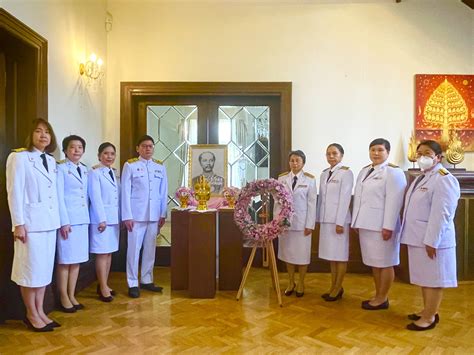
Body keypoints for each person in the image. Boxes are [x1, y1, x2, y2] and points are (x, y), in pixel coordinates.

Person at [6, 118, 61, 332]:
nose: (43, 135)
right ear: (31, 135)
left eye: (47, 132)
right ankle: (30, 314)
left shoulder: (50, 160)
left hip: (49, 223)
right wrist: (18, 224)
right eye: (38, 131)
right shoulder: (19, 157)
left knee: (43, 272)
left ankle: (40, 311)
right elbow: (14, 192)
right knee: (29, 271)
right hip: (30, 225)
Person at [401, 140, 460, 331]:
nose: (422, 158)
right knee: (425, 278)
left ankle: (428, 318)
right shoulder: (422, 176)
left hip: (433, 240)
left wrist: (432, 241)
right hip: (418, 237)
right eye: (419, 154)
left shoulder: (444, 178)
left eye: (427, 153)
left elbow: (442, 213)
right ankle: (428, 310)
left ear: (438, 157)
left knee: (434, 280)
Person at [352, 138, 406, 310]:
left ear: (387, 153)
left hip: (382, 227)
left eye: (380, 150)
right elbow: (359, 198)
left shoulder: (393, 172)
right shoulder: (365, 171)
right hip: (366, 224)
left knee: (386, 262)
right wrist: (355, 221)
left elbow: (394, 202)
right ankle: (378, 294)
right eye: (373, 150)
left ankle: (382, 298)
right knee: (375, 262)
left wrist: (388, 226)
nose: (376, 153)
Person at [122, 135, 168, 298]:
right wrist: (126, 215)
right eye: (144, 146)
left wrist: (163, 213)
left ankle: (147, 279)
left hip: (154, 214)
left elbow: (163, 192)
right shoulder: (130, 165)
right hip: (136, 215)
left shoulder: (159, 167)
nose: (148, 149)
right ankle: (132, 282)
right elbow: (125, 192)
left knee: (150, 249)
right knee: (133, 250)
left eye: (150, 146)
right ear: (138, 148)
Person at [275, 150, 317, 297]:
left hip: (302, 224)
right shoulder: (282, 179)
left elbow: (312, 203)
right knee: (288, 254)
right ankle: (291, 282)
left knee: (302, 255)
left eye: (297, 160)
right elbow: (277, 202)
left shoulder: (310, 180)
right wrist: (278, 222)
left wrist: (310, 224)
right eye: (292, 160)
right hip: (286, 224)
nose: (294, 163)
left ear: (303, 163)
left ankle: (301, 282)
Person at [56, 135, 90, 312]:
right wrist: (64, 221)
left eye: (80, 147)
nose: (76, 150)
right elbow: (59, 197)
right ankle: (63, 296)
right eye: (72, 147)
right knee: (65, 261)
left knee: (76, 261)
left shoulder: (84, 169)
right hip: (68, 221)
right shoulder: (61, 169)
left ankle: (72, 294)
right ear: (65, 150)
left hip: (82, 219)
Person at [316, 143, 354, 301]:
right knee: (332, 255)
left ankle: (338, 287)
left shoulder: (346, 173)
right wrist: (318, 219)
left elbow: (345, 199)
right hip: (326, 220)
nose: (331, 156)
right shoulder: (324, 173)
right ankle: (334, 285)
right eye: (328, 154)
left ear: (341, 155)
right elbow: (322, 199)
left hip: (339, 221)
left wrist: (340, 222)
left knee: (340, 255)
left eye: (334, 153)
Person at [88, 142, 120, 302]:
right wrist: (102, 219)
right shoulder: (95, 172)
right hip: (101, 220)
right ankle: (102, 287)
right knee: (101, 253)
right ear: (99, 155)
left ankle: (104, 284)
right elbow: (95, 197)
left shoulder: (112, 172)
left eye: (112, 154)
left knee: (108, 253)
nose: (109, 156)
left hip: (112, 219)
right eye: (106, 153)